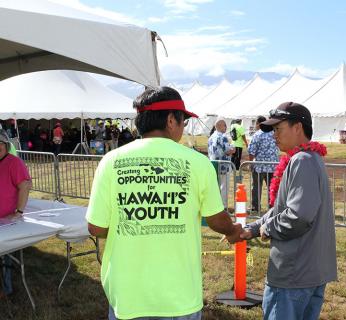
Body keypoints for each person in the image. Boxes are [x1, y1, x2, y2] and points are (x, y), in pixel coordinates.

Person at [86, 87, 243, 320]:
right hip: (179, 297)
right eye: (183, 121)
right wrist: (232, 231)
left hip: (129, 296)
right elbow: (216, 218)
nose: (183, 127)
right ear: (171, 120)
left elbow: (96, 228)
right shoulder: (197, 163)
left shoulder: (111, 162)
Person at [240, 102, 337, 320]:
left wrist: (266, 228)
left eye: (278, 129)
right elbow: (282, 208)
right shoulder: (307, 158)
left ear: (297, 128)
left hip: (295, 273)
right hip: (308, 270)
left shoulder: (302, 161)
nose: (274, 135)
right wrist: (253, 229)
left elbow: (298, 216)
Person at [0, 129, 32, 298]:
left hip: (5, 220)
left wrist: (19, 212)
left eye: (0, 144)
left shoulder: (14, 162)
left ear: (5, 146)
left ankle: (6, 289)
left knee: (5, 256)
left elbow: (25, 186)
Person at [247, 116, 279, 213]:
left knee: (257, 188)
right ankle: (272, 207)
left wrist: (251, 163)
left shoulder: (257, 135)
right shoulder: (274, 134)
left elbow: (251, 151)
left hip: (259, 166)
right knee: (272, 188)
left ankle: (256, 207)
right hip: (273, 166)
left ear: (260, 124)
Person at [208, 119, 235, 208]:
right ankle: (223, 206)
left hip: (213, 164)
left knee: (216, 186)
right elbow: (228, 150)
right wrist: (233, 149)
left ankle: (215, 205)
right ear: (220, 126)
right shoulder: (223, 137)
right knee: (224, 186)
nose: (226, 128)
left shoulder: (211, 137)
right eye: (225, 126)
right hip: (224, 166)